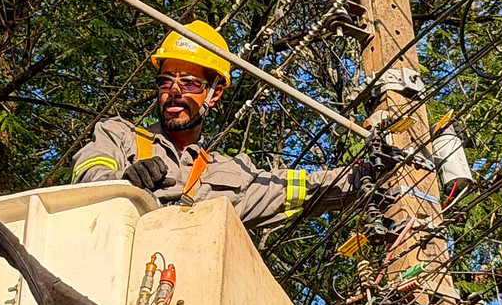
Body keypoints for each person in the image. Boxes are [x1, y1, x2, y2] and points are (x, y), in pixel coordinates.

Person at [70, 21, 383, 230]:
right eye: (167, 80)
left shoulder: (232, 176)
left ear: (214, 94)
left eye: (190, 82)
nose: (175, 90)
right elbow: (87, 178)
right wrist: (123, 182)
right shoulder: (119, 135)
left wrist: (368, 175)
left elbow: (294, 189)